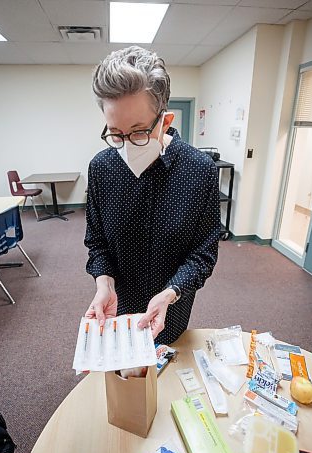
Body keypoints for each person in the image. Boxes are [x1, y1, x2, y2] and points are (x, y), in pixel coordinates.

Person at [84, 46, 220, 344]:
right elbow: (97, 243)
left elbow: (203, 254)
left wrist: (171, 293)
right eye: (116, 133)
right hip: (117, 306)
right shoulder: (102, 168)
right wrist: (103, 282)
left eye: (138, 131)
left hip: (171, 307)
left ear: (165, 121)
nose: (126, 144)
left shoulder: (200, 171)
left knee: (168, 369)